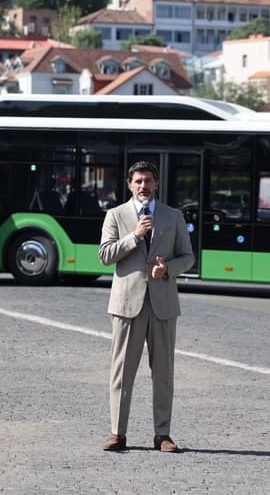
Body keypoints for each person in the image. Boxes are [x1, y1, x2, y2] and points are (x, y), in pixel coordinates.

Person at [98, 160, 195, 453]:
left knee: (163, 373)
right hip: (127, 305)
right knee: (122, 372)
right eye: (138, 181)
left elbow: (188, 257)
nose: (144, 186)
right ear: (130, 185)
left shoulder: (173, 216)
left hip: (163, 305)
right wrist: (135, 236)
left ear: (156, 184)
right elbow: (105, 255)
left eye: (148, 181)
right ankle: (118, 433)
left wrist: (167, 269)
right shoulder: (115, 215)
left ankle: (162, 434)